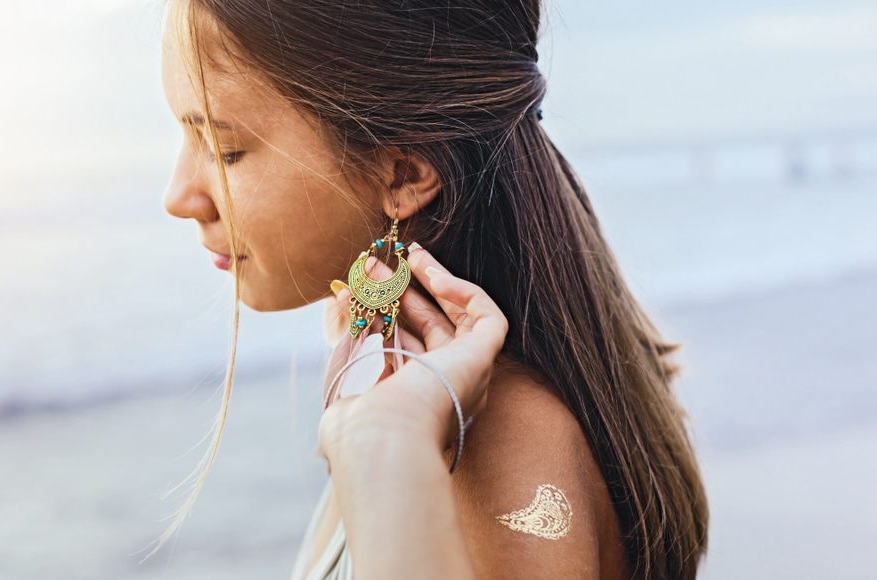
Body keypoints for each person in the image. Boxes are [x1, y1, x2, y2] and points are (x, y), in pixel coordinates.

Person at [155, 0, 709, 578]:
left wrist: (378, 441)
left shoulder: (500, 444)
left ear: (404, 174)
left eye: (225, 150)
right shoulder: (419, 389)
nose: (178, 195)